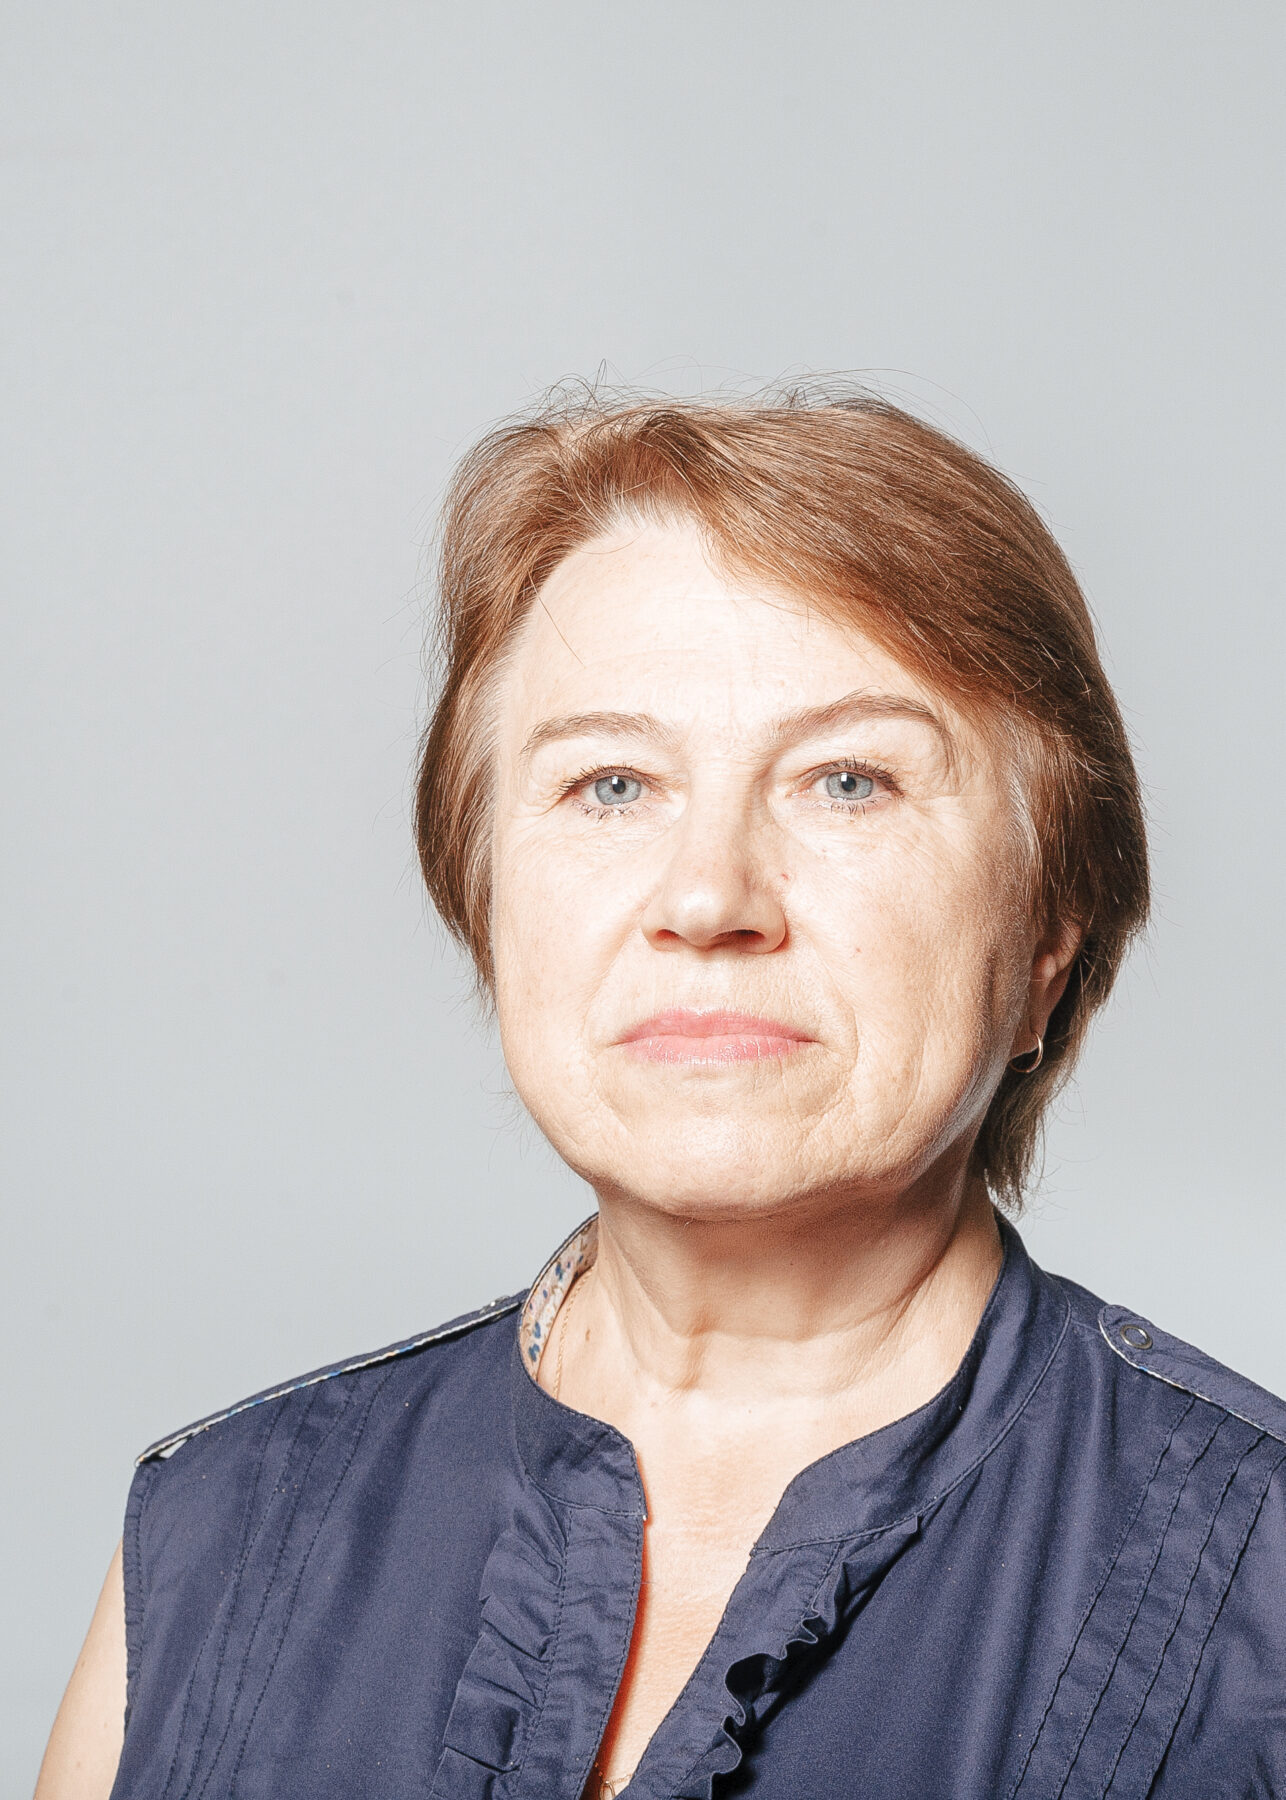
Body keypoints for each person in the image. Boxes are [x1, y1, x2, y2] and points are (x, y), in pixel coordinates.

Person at [37, 391, 1286, 1800]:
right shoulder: (211, 1541)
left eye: (848, 780)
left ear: (1049, 933)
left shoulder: (1266, 1597)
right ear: (483, 893)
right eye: (613, 785)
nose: (707, 898)